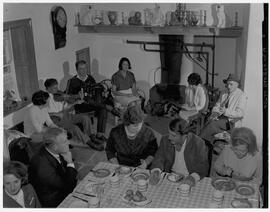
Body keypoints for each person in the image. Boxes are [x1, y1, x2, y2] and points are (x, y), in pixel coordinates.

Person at [44, 78, 104, 151]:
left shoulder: (58, 95)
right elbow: (44, 114)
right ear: (48, 88)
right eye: (54, 88)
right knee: (75, 128)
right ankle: (90, 143)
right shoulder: (44, 98)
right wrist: (56, 114)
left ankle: (91, 136)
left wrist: (76, 102)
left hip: (66, 115)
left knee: (85, 117)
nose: (57, 89)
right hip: (57, 120)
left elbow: (66, 107)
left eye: (57, 87)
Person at [149, 118, 209, 187]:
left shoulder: (198, 143)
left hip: (189, 178)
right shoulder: (165, 140)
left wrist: (193, 177)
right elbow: (159, 158)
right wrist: (156, 170)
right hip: (170, 177)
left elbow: (203, 167)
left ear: (185, 135)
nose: (169, 137)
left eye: (173, 135)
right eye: (169, 133)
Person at [66, 60, 114, 143]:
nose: (84, 71)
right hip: (80, 106)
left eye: (85, 68)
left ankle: (99, 135)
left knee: (103, 110)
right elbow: (67, 97)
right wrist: (77, 96)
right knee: (98, 105)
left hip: (92, 104)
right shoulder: (72, 81)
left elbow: (96, 92)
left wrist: (102, 93)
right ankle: (90, 137)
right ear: (77, 70)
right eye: (81, 69)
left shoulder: (90, 78)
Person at [28, 128, 77, 207]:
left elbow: (68, 178)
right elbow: (66, 186)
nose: (69, 142)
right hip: (54, 200)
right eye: (65, 141)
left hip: (63, 188)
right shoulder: (42, 165)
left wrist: (69, 166)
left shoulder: (56, 151)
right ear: (54, 147)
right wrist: (70, 163)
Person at [200, 73, 247, 144]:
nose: (228, 86)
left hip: (230, 121)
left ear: (237, 85)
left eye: (231, 84)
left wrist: (226, 111)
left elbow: (240, 113)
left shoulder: (241, 95)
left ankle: (200, 142)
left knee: (212, 125)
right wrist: (214, 114)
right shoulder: (224, 93)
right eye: (227, 84)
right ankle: (206, 144)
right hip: (220, 118)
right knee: (209, 120)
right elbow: (217, 105)